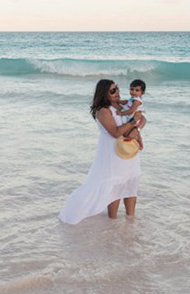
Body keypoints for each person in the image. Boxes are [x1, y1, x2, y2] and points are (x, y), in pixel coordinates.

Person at [61, 79, 144, 223]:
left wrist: (137, 131)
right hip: (112, 152)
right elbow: (115, 132)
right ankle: (112, 221)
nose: (117, 92)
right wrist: (132, 122)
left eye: (117, 88)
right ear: (104, 94)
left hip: (129, 150)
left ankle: (131, 219)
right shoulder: (103, 111)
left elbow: (142, 119)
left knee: (131, 183)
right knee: (115, 185)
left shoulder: (123, 105)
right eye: (112, 91)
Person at [120, 79, 148, 149]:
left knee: (128, 134)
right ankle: (138, 140)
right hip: (132, 117)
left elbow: (131, 110)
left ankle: (136, 140)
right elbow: (126, 102)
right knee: (129, 132)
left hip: (134, 118)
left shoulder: (137, 101)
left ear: (142, 93)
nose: (133, 92)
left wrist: (121, 113)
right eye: (132, 89)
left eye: (137, 90)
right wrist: (118, 101)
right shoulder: (133, 98)